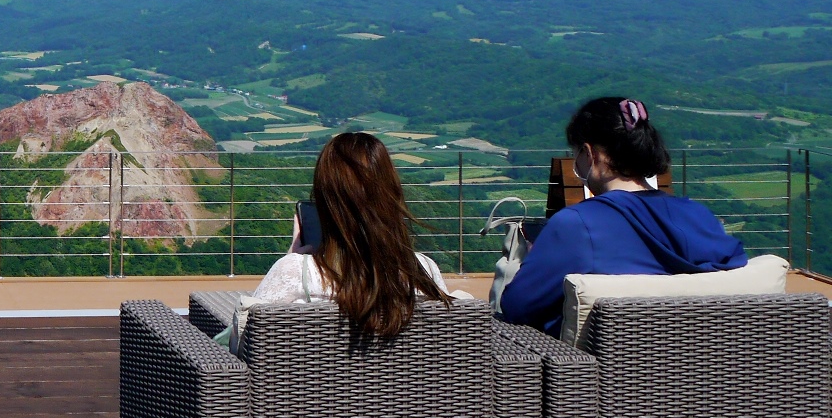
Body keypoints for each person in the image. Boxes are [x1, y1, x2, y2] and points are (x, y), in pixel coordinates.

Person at [499, 96, 746, 334]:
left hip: (594, 370)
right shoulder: (700, 216)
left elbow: (517, 307)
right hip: (703, 364)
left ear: (589, 153)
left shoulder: (578, 225)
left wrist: (540, 257)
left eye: (576, 153)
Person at [230, 130, 462, 347]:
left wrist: (292, 258)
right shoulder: (423, 270)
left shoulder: (296, 274)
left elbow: (244, 348)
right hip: (412, 389)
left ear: (325, 201)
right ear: (391, 192)